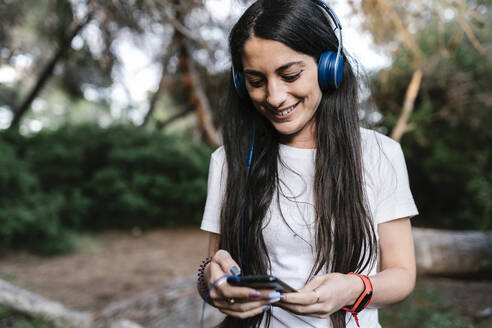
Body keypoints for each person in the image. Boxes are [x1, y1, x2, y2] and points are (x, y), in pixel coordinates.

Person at [197, 0, 418, 327]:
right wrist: (211, 282)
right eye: (256, 81)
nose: (274, 96)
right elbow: (211, 264)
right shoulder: (228, 160)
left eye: (290, 75)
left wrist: (352, 289)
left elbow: (402, 274)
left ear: (330, 67)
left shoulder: (380, 153)